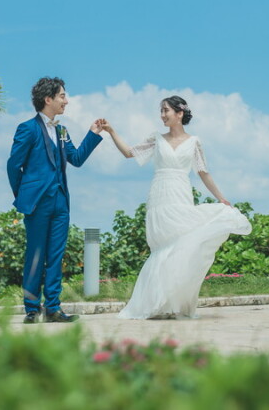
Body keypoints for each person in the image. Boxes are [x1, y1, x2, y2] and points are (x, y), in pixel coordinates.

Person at [101, 95, 251, 319]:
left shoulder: (194, 142)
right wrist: (111, 131)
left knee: (182, 243)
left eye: (166, 111)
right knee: (162, 246)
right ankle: (155, 304)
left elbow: (203, 172)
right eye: (161, 111)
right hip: (159, 196)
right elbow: (129, 152)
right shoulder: (156, 139)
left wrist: (221, 198)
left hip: (180, 193)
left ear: (179, 113)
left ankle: (174, 302)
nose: (162, 115)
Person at [7, 77, 103, 323]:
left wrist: (93, 134)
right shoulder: (27, 128)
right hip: (37, 203)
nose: (66, 101)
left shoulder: (62, 130)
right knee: (36, 255)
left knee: (56, 256)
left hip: (61, 202)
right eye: (62, 96)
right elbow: (13, 165)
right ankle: (31, 308)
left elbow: (77, 159)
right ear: (47, 99)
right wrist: (24, 196)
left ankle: (53, 308)